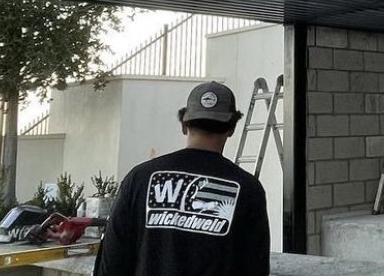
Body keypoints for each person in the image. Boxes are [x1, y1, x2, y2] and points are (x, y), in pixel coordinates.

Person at [94, 81, 270, 276]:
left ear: (184, 126)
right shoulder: (248, 189)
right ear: (231, 128)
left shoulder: (140, 178)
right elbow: (255, 267)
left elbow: (112, 262)